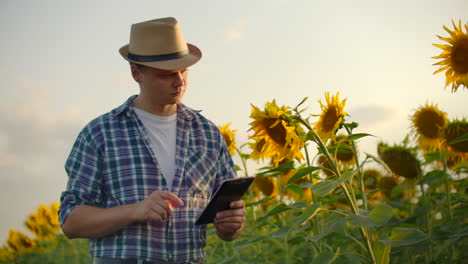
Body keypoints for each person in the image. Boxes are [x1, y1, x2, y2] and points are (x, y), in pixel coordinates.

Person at [59, 17, 246, 264]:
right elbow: (71, 221)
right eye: (166, 74)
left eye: (183, 71)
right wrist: (135, 211)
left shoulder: (209, 135)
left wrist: (231, 226)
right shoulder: (99, 134)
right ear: (137, 74)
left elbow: (228, 224)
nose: (179, 82)